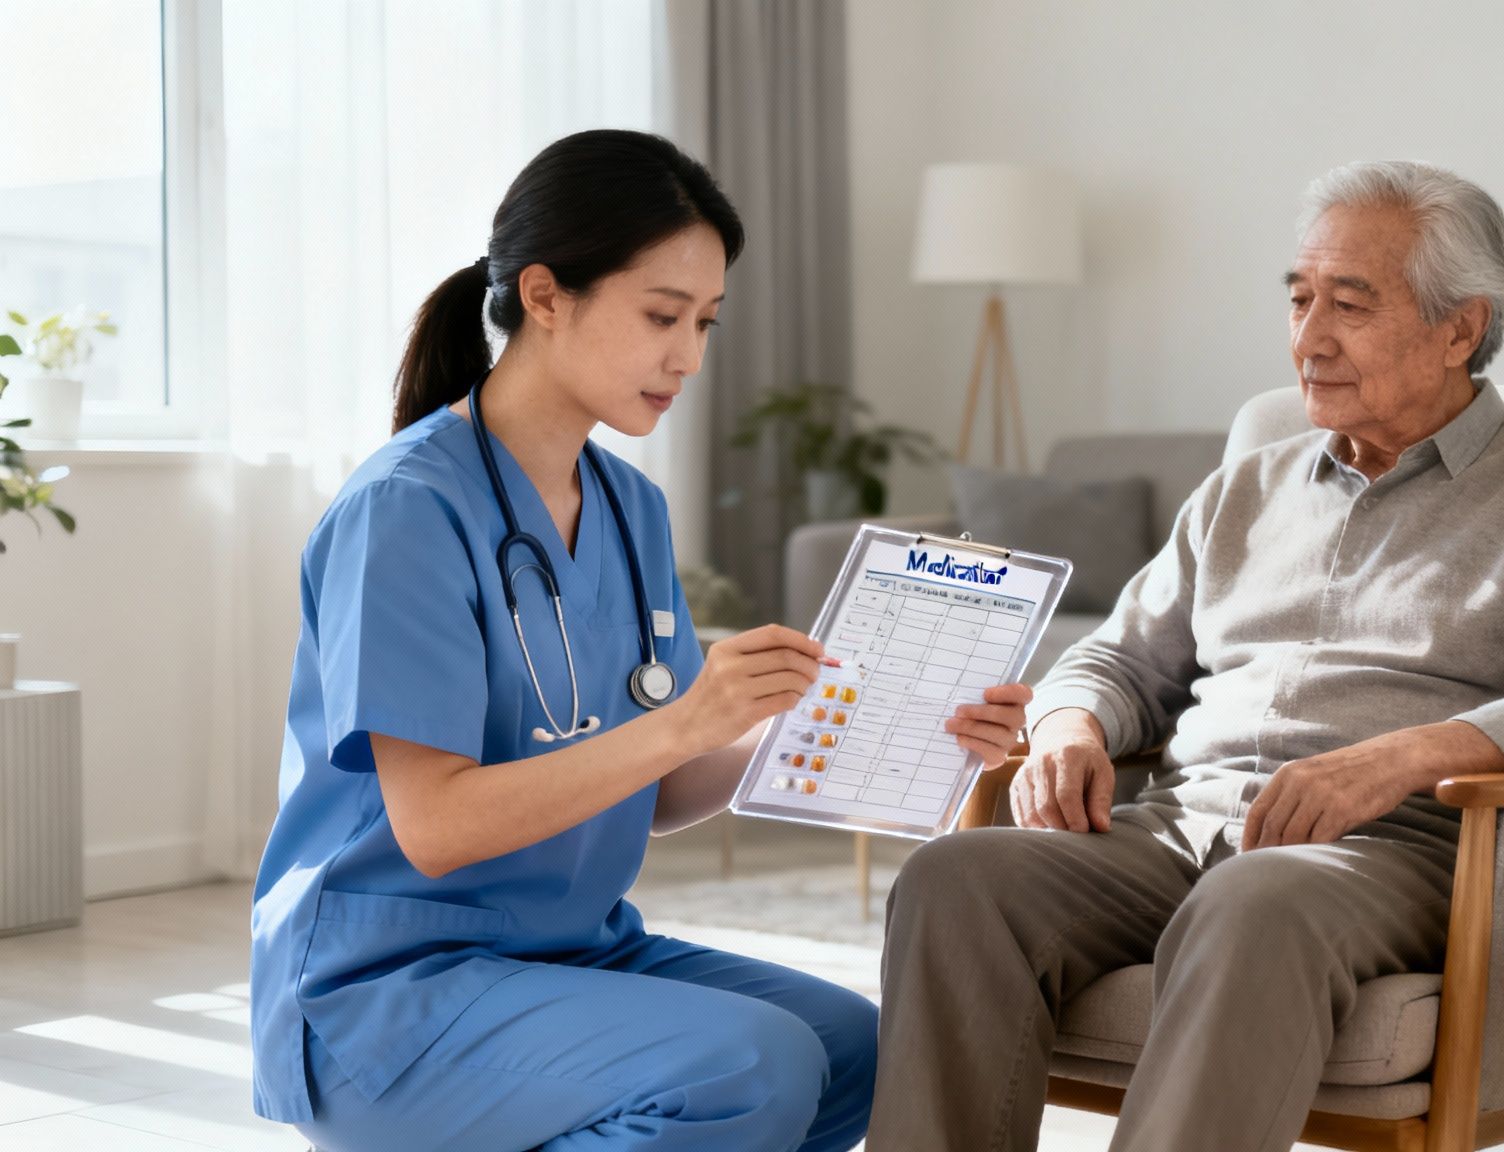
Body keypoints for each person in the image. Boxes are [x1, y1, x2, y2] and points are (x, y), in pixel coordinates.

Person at [868, 160, 1504, 1151]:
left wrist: (1400, 757)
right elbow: (1115, 659)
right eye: (1298, 299)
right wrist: (1068, 725)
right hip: (1176, 830)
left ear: (1458, 327)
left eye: (1349, 304)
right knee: (954, 879)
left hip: (1393, 856)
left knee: (1256, 896)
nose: (1308, 337)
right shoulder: (1241, 489)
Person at [249, 128, 1031, 1152]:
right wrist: (684, 721)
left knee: (867, 1054)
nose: (688, 357)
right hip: (387, 990)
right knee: (752, 1064)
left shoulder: (628, 509)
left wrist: (841, 722)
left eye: (704, 321)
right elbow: (434, 828)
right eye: (661, 316)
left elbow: (654, 797)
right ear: (543, 295)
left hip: (569, 953)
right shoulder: (405, 510)